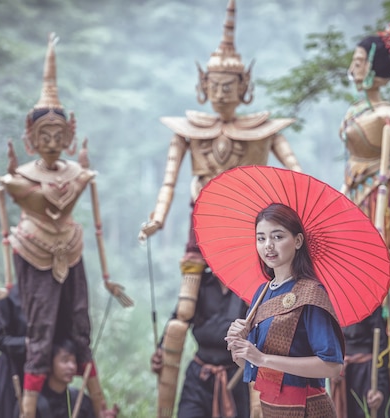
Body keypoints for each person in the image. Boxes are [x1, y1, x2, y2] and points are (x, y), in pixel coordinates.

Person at [138, 2, 301, 415]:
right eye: (216, 84)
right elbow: (169, 183)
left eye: (231, 84)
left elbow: (297, 174)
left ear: (245, 85)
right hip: (200, 239)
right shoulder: (188, 132)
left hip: (251, 239)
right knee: (184, 311)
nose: (223, 92)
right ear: (203, 86)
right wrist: (157, 219)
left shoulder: (262, 131)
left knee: (259, 315)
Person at [0, 33, 127, 418]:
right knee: (39, 335)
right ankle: (27, 412)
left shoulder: (78, 172)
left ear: (69, 137)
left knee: (80, 327)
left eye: (59, 135)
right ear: (31, 139)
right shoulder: (20, 176)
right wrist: (5, 284)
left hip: (71, 247)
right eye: (45, 136)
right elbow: (6, 213)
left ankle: (100, 405)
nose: (52, 142)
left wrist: (106, 277)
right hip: (32, 247)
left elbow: (98, 221)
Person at [340, 21, 390, 389]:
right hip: (355, 194)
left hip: (379, 198)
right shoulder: (359, 111)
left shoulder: (388, 119)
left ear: (375, 67)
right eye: (354, 60)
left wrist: (381, 195)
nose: (354, 67)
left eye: (359, 61)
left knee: (377, 272)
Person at [225, 203, 344, 417]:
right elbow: (251, 367)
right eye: (261, 238)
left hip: (308, 408)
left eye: (278, 237)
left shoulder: (311, 293)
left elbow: (331, 366)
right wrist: (238, 346)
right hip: (272, 408)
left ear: (298, 241)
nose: (268, 246)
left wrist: (262, 358)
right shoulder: (262, 292)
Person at [150, 269, 250, 418]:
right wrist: (161, 351)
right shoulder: (198, 284)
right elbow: (177, 320)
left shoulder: (250, 288)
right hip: (198, 378)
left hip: (234, 378)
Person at [15, 339, 118, 418]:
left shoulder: (81, 401)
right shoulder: (32, 404)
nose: (72, 367)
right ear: (50, 365)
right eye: (65, 361)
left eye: (74, 362)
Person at [330, 306, 390, 418]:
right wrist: (333, 367)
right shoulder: (331, 303)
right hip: (344, 375)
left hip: (367, 374)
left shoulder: (370, 305)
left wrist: (380, 388)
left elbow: (382, 348)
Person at [0, 285, 27, 418]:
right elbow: (1, 340)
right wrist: (28, 343)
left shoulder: (47, 295)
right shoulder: (7, 297)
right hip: (12, 370)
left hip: (40, 367)